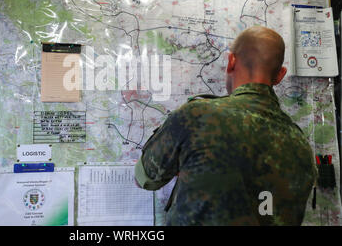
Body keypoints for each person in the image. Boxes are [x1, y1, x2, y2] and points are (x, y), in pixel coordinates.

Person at [135, 26, 317, 225]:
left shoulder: (197, 117)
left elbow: (145, 178)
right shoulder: (300, 144)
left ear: (231, 62)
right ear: (280, 75)